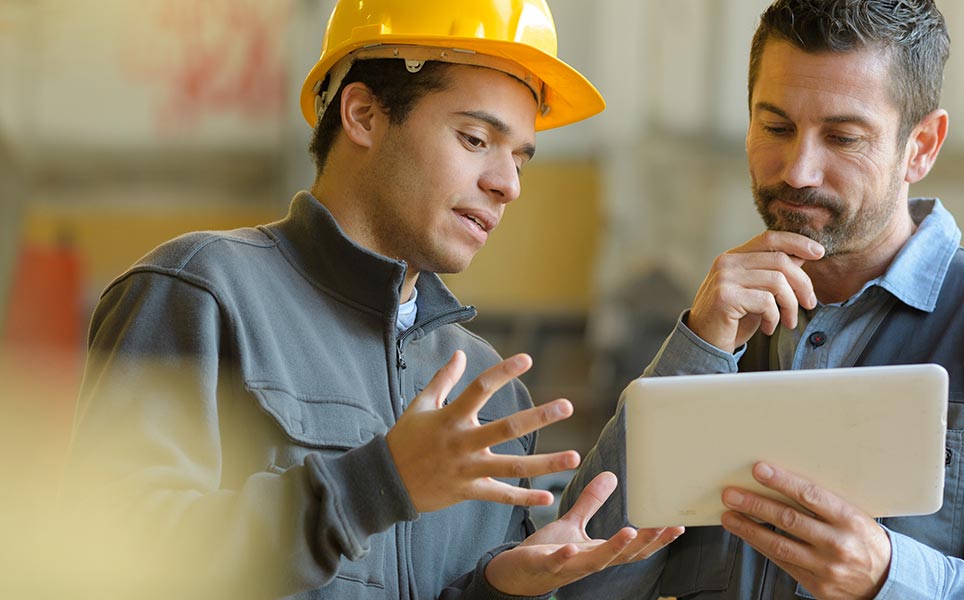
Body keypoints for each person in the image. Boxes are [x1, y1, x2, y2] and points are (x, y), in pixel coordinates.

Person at [60, 0, 683, 598]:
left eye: (521, 158)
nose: (507, 184)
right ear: (362, 115)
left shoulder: (488, 391)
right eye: (474, 139)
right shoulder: (202, 294)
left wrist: (500, 591)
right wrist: (377, 485)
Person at [558, 0, 964, 598]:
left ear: (922, 145)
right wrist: (696, 351)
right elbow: (576, 581)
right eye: (775, 127)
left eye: (843, 137)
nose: (798, 170)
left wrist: (888, 575)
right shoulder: (711, 327)